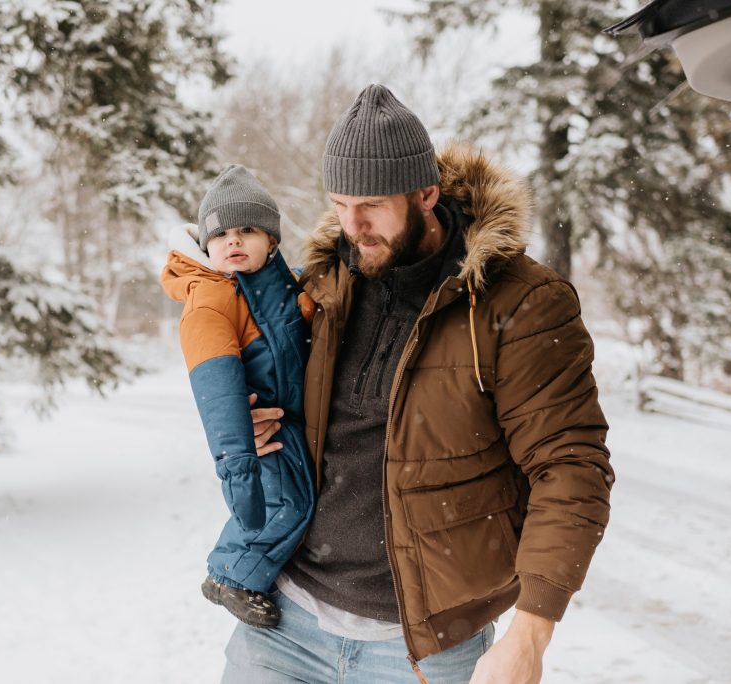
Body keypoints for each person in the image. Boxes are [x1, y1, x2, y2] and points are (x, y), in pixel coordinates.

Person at [222, 85, 615, 683]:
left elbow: (570, 464)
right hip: (285, 626)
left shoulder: (523, 302)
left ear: (426, 193)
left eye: (372, 206)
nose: (352, 226)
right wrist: (255, 416)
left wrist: (530, 635)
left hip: (425, 651)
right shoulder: (326, 284)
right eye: (340, 204)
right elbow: (288, 392)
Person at [161, 164, 315, 629]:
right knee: (287, 504)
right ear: (206, 244)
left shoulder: (276, 285)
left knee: (292, 500)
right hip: (260, 435)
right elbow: (218, 388)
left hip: (290, 421)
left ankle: (237, 567)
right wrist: (236, 463)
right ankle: (230, 575)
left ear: (271, 240)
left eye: (247, 230)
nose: (234, 241)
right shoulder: (211, 299)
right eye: (222, 233)